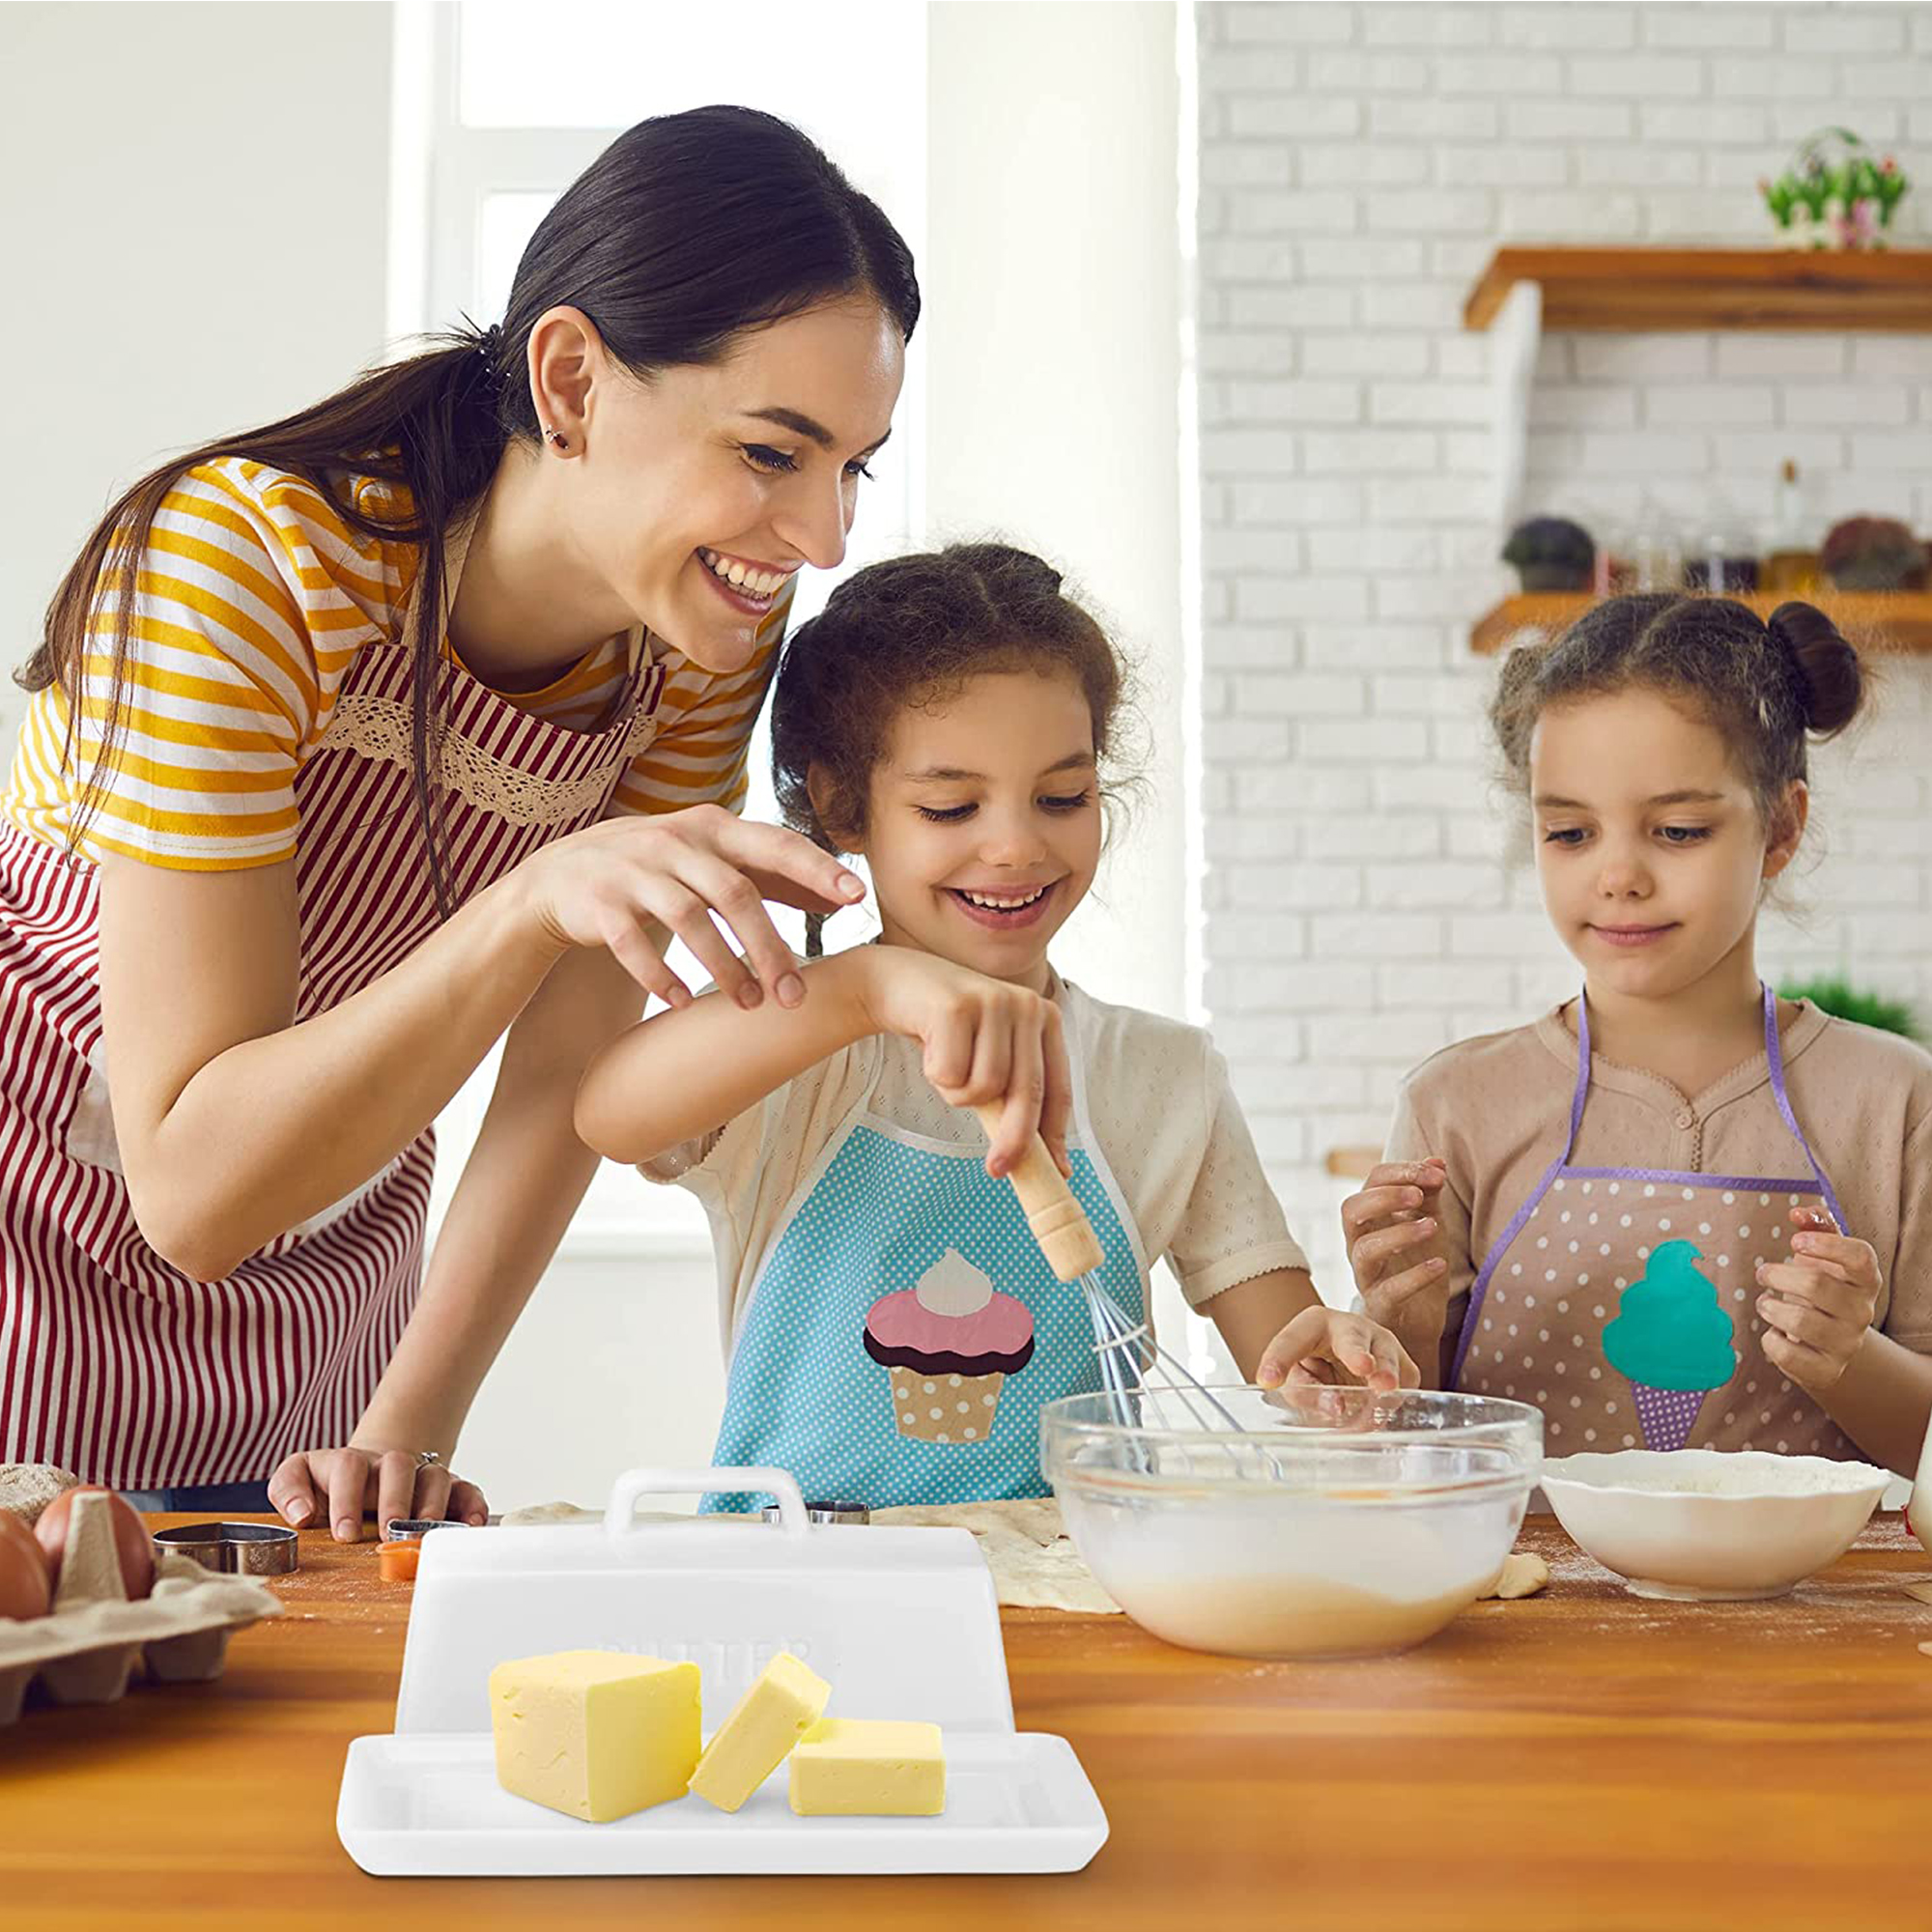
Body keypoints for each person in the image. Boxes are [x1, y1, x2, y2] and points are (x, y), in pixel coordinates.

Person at [0, 106, 933, 1536]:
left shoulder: (698, 638)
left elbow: (566, 1069)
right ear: (572, 381)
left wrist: (410, 1420)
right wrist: (533, 895)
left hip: (321, 1258)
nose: (821, 540)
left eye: (851, 467)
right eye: (768, 454)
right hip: (36, 1215)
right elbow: (189, 1183)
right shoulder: (247, 562)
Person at [575, 543, 1415, 1510]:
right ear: (846, 806)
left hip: (1066, 1587)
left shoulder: (1160, 1074)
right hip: (799, 1575)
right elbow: (609, 1114)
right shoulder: (794, 1043)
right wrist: (864, 990)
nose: (1016, 844)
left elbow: (1287, 1351)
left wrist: (1336, 1360)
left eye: (1061, 796)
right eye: (950, 803)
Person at [1340, 595, 1932, 1472]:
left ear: (1781, 830)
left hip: (1818, 1607)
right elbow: (1413, 1460)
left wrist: (1849, 1358)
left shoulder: (1895, 1100)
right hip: (1532, 1604)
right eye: (1570, 832)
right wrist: (1397, 1338)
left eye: (1679, 831)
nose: (1618, 875)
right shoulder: (1455, 1105)